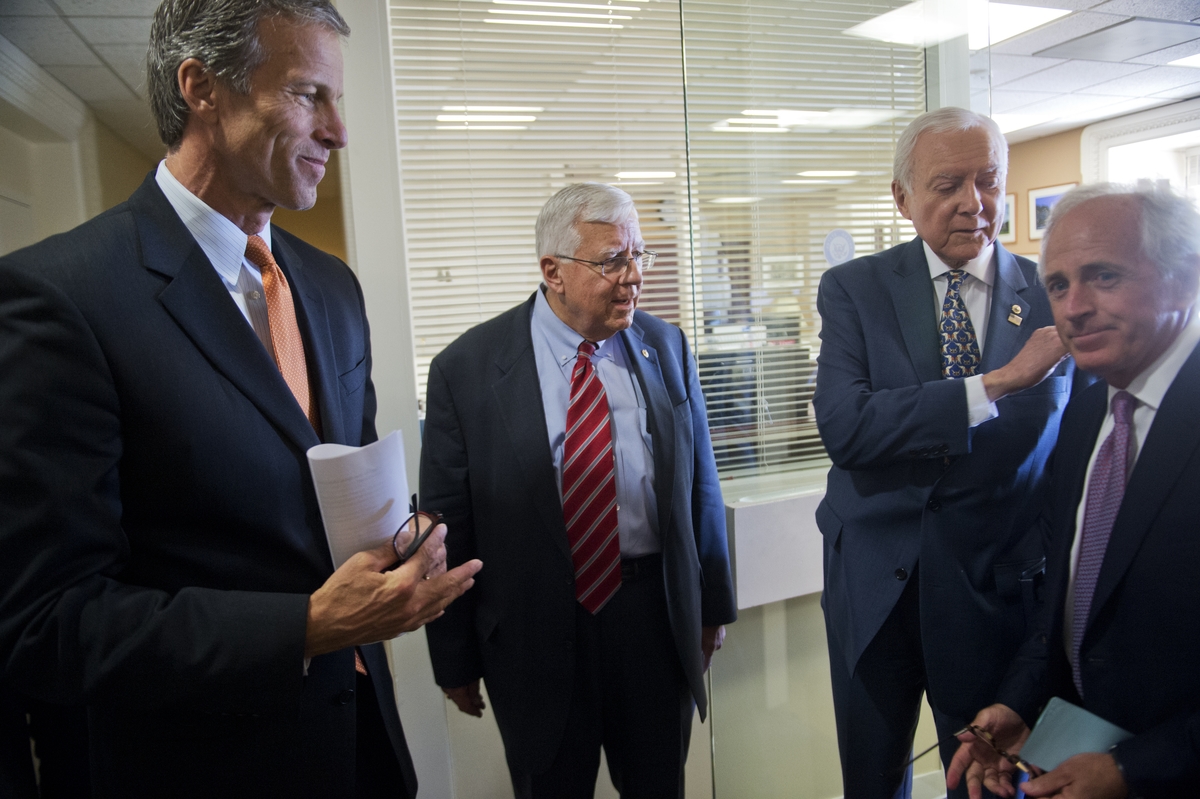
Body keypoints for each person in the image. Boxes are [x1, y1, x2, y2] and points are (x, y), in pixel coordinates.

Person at [0, 1, 481, 796]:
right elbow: (51, 623)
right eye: (307, 96)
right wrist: (309, 625)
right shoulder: (61, 299)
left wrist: (404, 540)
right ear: (203, 89)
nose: (339, 131)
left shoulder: (331, 287)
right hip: (206, 766)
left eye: (338, 100)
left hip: (362, 744)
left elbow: (339, 495)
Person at [421, 182, 736, 798]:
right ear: (553, 271)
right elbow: (447, 522)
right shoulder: (467, 368)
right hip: (535, 631)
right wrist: (452, 656)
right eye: (612, 260)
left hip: (652, 619)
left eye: (640, 256)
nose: (634, 277)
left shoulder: (665, 346)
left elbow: (699, 482)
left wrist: (714, 605)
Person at [812, 106, 1083, 798]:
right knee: (872, 783)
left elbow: (1069, 464)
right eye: (948, 185)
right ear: (902, 198)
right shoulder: (855, 289)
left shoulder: (1054, 295)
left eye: (988, 180)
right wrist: (998, 382)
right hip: (874, 593)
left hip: (996, 595)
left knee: (988, 784)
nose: (973, 203)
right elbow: (846, 428)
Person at [947, 185, 1200, 799]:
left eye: (1103, 276)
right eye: (1057, 286)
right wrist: (1018, 700)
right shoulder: (1088, 416)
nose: (1073, 308)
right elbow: (1065, 602)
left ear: (1184, 278)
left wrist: (1133, 768)